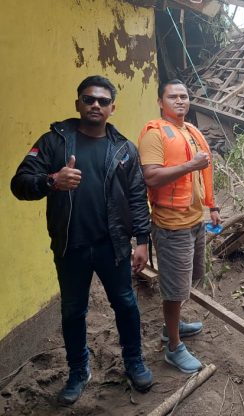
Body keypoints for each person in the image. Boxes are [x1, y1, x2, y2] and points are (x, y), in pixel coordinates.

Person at [11, 75, 153, 405]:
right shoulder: (53, 142)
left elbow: (136, 196)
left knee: (125, 303)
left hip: (112, 245)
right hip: (70, 246)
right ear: (78, 103)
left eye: (103, 101)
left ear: (112, 108)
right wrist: (52, 180)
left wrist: (142, 241)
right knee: (73, 311)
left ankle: (134, 361)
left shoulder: (123, 148)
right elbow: (20, 183)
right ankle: (79, 371)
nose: (95, 105)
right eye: (89, 99)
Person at [138, 79, 220, 374]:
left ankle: (174, 326)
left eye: (184, 96)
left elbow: (203, 175)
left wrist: (213, 207)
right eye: (172, 97)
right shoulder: (154, 133)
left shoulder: (192, 131)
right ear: (161, 102)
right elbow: (152, 177)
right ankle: (173, 347)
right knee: (173, 289)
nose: (180, 101)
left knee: (188, 280)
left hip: (195, 221)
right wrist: (189, 165)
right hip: (172, 225)